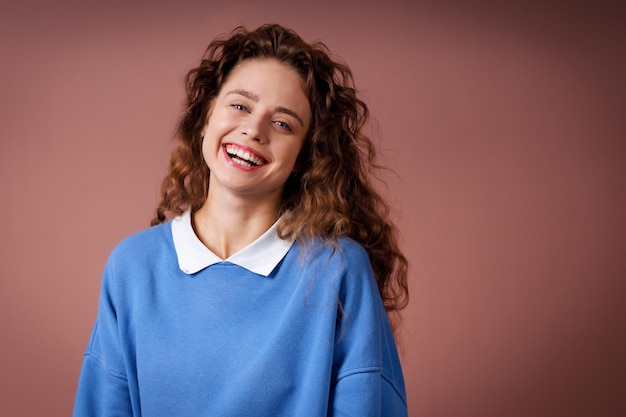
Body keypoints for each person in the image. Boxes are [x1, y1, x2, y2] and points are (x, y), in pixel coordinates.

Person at [73, 23, 409, 417]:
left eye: (282, 123)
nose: (253, 129)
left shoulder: (336, 269)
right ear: (206, 117)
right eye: (240, 106)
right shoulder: (132, 267)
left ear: (304, 155)